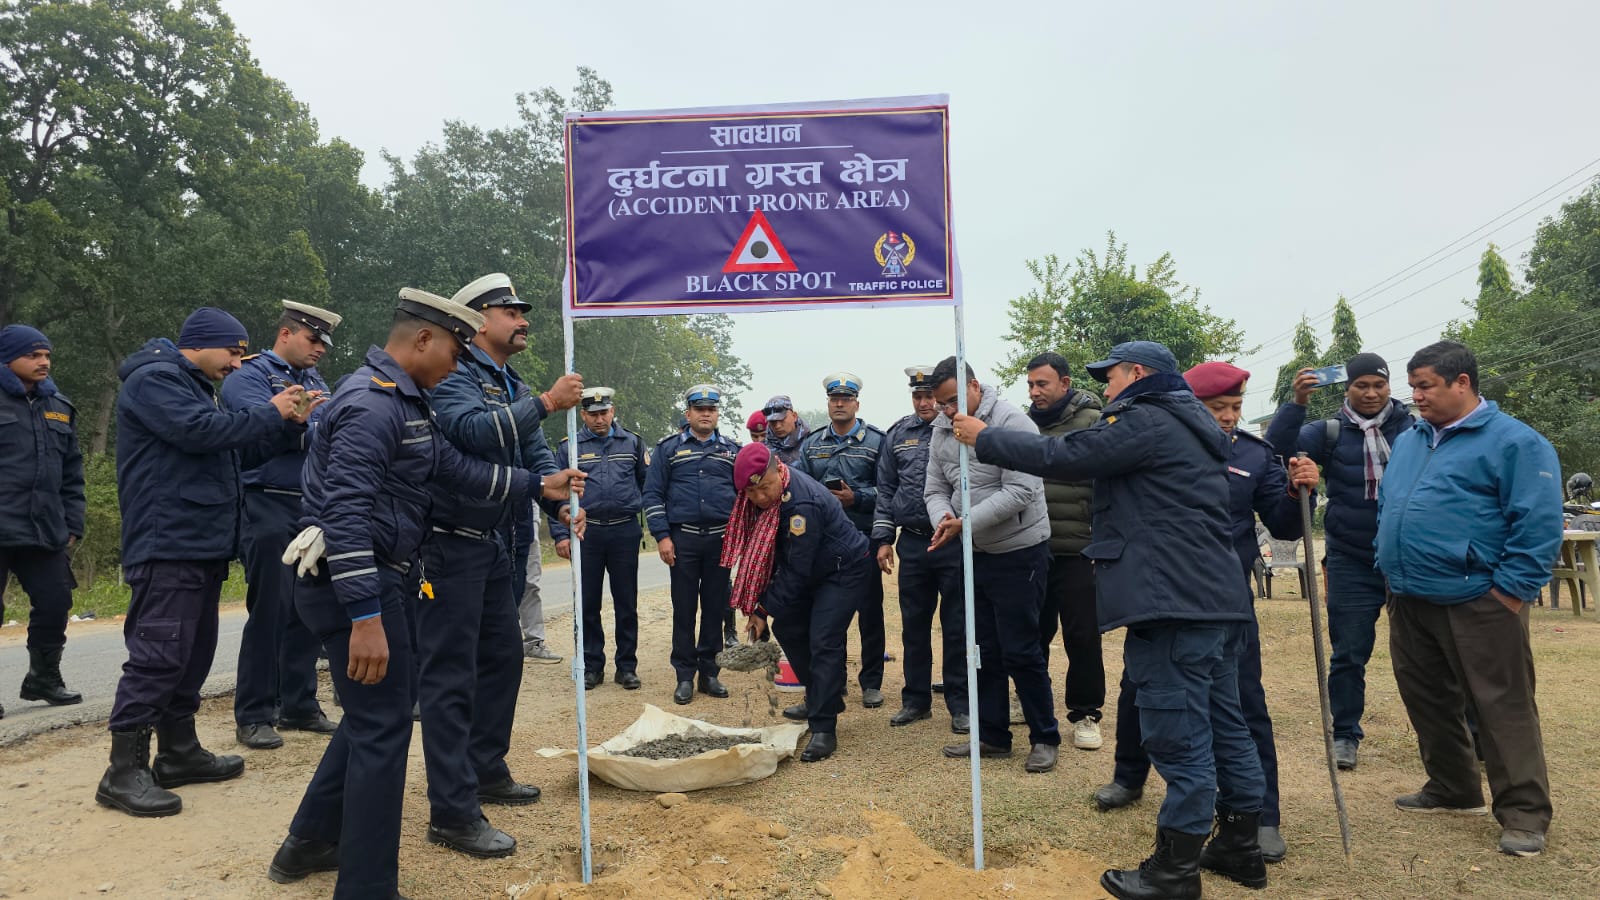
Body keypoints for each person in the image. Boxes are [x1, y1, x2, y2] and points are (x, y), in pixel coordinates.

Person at [266, 288, 583, 898]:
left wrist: (535, 485)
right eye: (455, 348)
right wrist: (364, 617)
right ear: (422, 340)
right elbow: (347, 514)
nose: (456, 362)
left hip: (380, 576)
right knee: (385, 731)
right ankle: (367, 887)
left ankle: (308, 842)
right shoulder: (370, 405)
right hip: (356, 582)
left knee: (370, 720)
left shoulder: (405, 402)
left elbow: (453, 469)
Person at [953, 341, 1268, 899]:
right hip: (1214, 599)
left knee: (1179, 735)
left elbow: (1069, 457)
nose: (1105, 387)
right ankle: (1239, 845)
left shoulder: (1149, 419)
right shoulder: (1190, 422)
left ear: (1139, 373)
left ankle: (1174, 872)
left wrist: (987, 439)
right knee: (1225, 725)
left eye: (1112, 376)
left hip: (1174, 603)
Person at [96, 308, 321, 818]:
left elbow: (227, 447)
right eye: (234, 353)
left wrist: (288, 422)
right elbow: (200, 432)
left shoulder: (195, 386)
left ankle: (178, 753)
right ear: (201, 343)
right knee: (159, 654)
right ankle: (123, 771)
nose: (239, 364)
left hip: (199, 541)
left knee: (193, 652)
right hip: (167, 541)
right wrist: (271, 412)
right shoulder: (156, 380)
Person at [1096, 362, 1317, 865]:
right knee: (1142, 691)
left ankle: (1260, 820)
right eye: (1219, 408)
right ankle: (1129, 777)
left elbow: (1284, 527)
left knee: (1241, 705)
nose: (1229, 418)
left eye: (1236, 408)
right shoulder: (1158, 440)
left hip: (1226, 601)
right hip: (1165, 597)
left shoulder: (1254, 456)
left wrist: (1298, 489)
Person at [419, 273, 583, 858]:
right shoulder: (453, 376)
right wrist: (543, 404)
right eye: (511, 311)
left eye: (523, 311)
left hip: (493, 543)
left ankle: (486, 767)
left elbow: (534, 456)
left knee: (503, 660)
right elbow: (466, 434)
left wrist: (558, 502)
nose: (524, 320)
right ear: (477, 320)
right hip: (447, 545)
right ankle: (452, 811)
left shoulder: (507, 379)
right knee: (450, 679)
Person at [1376, 341, 1560, 858]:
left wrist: (1510, 592)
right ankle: (1454, 788)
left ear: (1462, 383)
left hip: (1480, 599)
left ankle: (1524, 812)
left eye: (1424, 385)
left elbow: (1539, 523)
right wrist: (1385, 563)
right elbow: (1391, 503)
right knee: (1427, 698)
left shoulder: (1515, 443)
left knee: (1501, 705)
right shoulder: (1412, 439)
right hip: (1411, 595)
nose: (1415, 396)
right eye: (1412, 386)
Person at [1264, 351, 1408, 771]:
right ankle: (1345, 734)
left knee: (1433, 652)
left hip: (1407, 555)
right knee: (1348, 654)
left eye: (1378, 385)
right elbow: (1276, 449)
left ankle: (1465, 735)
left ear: (1388, 386)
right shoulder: (1327, 432)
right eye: (1361, 385)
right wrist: (1297, 403)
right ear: (1347, 388)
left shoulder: (1413, 428)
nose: (1370, 393)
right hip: (1351, 557)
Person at [922, 357, 1058, 772]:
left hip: (1018, 551)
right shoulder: (941, 430)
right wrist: (944, 519)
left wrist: (967, 523)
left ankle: (1044, 737)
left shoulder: (1013, 424)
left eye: (952, 401)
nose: (946, 411)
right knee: (981, 650)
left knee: (1022, 650)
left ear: (975, 387)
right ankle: (994, 735)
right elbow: (935, 486)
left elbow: (1021, 491)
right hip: (971, 552)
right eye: (940, 404)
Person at [222, 301, 341, 750]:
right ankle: (255, 712)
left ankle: (299, 704)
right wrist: (300, 422)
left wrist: (304, 421)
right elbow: (254, 428)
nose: (320, 351)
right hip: (265, 500)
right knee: (270, 609)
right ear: (287, 334)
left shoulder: (313, 381)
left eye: (324, 344)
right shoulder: (249, 375)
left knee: (308, 609)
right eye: (313, 340)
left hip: (308, 504)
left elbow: (324, 429)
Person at [724, 442, 872, 762]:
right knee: (789, 628)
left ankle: (823, 726)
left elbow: (796, 571)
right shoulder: (762, 503)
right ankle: (822, 695)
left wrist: (762, 609)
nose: (761, 498)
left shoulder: (800, 504)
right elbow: (774, 560)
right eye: (752, 494)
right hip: (812, 569)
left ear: (779, 471)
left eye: (765, 488)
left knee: (823, 639)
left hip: (842, 569)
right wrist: (762, 607)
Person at [871, 364, 969, 733]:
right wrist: (883, 539)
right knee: (914, 625)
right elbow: (886, 489)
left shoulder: (961, 428)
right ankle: (915, 700)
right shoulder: (897, 434)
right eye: (918, 395)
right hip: (912, 541)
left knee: (958, 625)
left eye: (930, 395)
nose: (925, 402)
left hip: (954, 539)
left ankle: (960, 703)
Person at [1022, 351, 1106, 751]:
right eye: (1031, 385)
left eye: (1043, 384)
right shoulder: (1022, 425)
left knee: (1082, 635)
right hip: (1031, 546)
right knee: (1032, 632)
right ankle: (1034, 700)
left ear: (1065, 384)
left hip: (1079, 548)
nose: (1035, 392)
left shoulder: (1094, 422)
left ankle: (1086, 712)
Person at [0, 324, 84, 717]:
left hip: (44, 527)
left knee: (55, 601)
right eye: (34, 355)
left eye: (47, 355)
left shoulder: (59, 406)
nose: (44, 362)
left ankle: (43, 679)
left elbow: (72, 472)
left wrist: (73, 521)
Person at [642, 384, 738, 705]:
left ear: (717, 413)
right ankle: (684, 675)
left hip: (720, 540)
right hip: (681, 539)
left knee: (714, 608)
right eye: (700, 409)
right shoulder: (668, 450)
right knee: (684, 610)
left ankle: (710, 673)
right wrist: (662, 536)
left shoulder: (732, 451)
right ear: (689, 414)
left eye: (711, 409)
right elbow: (652, 494)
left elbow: (742, 498)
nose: (706, 414)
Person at [797, 372, 888, 708]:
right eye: (834, 399)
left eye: (846, 399)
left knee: (870, 615)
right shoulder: (812, 444)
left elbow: (888, 490)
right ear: (828, 403)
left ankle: (872, 682)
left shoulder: (877, 442)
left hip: (862, 540)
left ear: (856, 403)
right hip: (823, 545)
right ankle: (832, 684)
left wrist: (858, 498)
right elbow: (799, 488)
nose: (839, 404)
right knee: (826, 618)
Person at [552, 387, 647, 690]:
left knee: (626, 602)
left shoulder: (632, 442)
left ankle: (627, 666)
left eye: (604, 412)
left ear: (612, 411)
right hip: (585, 532)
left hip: (624, 531)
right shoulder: (570, 446)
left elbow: (648, 486)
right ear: (583, 415)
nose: (599, 419)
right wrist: (560, 535)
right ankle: (592, 665)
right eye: (592, 414)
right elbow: (556, 495)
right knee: (588, 603)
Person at [762, 395, 809, 465]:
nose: (777, 426)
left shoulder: (810, 444)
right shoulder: (762, 450)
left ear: (794, 416)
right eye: (772, 422)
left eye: (782, 420)